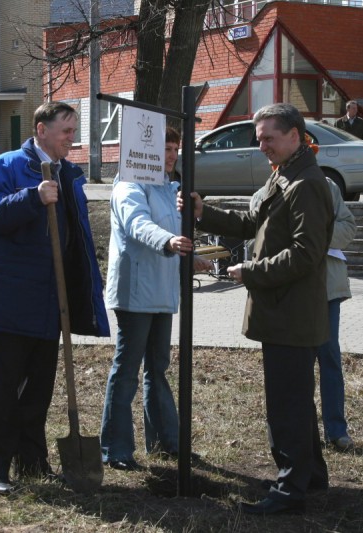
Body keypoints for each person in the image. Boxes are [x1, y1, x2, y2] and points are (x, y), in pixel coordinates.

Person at [181, 103, 334, 515]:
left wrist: (250, 271)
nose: (261, 145)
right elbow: (253, 221)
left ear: (295, 136)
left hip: (292, 313)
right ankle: (310, 476)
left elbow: (307, 254)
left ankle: (289, 491)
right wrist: (202, 212)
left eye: (268, 137)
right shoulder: (285, 175)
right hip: (283, 310)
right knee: (295, 398)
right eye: (259, 137)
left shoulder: (305, 185)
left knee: (287, 403)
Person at [0, 101, 110, 495]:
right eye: (66, 129)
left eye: (73, 130)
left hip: (54, 299)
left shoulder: (69, 174)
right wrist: (32, 197)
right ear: (41, 129)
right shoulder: (9, 166)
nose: (72, 137)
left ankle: (32, 461)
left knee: (39, 389)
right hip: (14, 299)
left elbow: (75, 233)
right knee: (5, 388)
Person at [101, 126, 211, 471]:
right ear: (144, 152)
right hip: (135, 293)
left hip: (163, 292)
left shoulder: (171, 188)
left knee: (158, 369)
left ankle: (166, 442)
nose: (171, 155)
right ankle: (116, 448)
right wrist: (169, 242)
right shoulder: (128, 186)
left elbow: (178, 233)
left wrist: (191, 252)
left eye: (175, 148)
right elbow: (137, 224)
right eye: (165, 148)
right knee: (127, 370)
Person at [318, 178, 357, 451]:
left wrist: (315, 233)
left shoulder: (327, 185)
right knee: (296, 364)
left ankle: (336, 430)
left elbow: (347, 228)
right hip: (291, 291)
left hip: (327, 289)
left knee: (329, 357)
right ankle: (302, 430)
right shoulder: (272, 186)